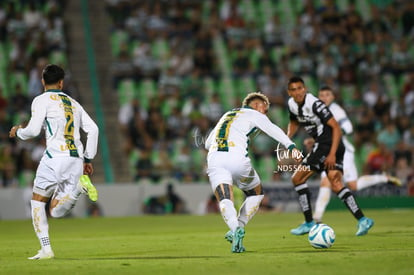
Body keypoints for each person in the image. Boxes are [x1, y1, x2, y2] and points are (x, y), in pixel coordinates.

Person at [9, 64, 99, 260]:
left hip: (53, 158)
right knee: (57, 211)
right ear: (61, 82)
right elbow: (93, 130)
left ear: (42, 81)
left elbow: (32, 131)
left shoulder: (41, 100)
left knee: (37, 202)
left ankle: (46, 249)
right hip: (75, 159)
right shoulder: (74, 103)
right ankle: (78, 188)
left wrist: (19, 132)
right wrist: (88, 158)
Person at [205, 92, 301, 253]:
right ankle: (240, 225)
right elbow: (272, 129)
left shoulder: (227, 114)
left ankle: (235, 229)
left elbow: (208, 143)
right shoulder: (254, 113)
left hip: (215, 158)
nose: (266, 112)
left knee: (224, 198)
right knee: (256, 194)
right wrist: (290, 146)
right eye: (265, 108)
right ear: (256, 105)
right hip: (237, 158)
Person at [286, 76, 374, 237]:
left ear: (305, 89)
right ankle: (363, 220)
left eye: (300, 88)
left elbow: (336, 127)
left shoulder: (314, 104)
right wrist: (287, 138)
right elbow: (294, 121)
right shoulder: (291, 104)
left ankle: (308, 222)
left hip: (328, 145)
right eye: (293, 89)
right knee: (335, 183)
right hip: (327, 144)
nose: (297, 92)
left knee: (297, 178)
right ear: (289, 92)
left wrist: (332, 154)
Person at [312, 86, 402, 222]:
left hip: (343, 153)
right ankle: (316, 218)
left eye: (327, 95)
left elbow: (348, 126)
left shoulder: (335, 110)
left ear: (333, 97)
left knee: (351, 185)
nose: (324, 97)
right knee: (328, 182)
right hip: (330, 152)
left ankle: (383, 178)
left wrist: (336, 132)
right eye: (322, 95)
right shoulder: (319, 112)